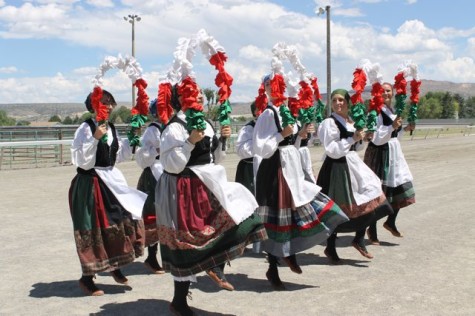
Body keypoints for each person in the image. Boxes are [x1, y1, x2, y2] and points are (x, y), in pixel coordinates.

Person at [155, 81, 267, 316]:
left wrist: (223, 140)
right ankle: (179, 300)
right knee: (188, 242)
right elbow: (171, 165)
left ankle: (215, 265)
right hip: (184, 189)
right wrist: (189, 142)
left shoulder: (205, 123)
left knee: (243, 217)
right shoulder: (174, 128)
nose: (198, 97)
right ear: (181, 98)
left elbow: (215, 158)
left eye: (198, 93)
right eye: (191, 93)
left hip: (209, 185)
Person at [253, 74, 348, 290]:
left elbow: (292, 143)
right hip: (274, 170)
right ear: (265, 89)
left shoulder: (286, 112)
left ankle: (289, 252)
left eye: (278, 84)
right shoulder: (268, 114)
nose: (275, 88)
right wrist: (280, 135)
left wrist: (300, 134)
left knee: (300, 209)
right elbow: (261, 148)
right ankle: (273, 267)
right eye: (269, 84)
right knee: (278, 217)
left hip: (291, 167)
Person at [68, 89, 146, 296]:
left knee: (120, 222)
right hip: (90, 184)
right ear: (94, 105)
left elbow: (116, 156)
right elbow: (82, 161)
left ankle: (115, 266)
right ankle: (87, 278)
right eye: (105, 102)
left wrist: (132, 141)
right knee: (94, 230)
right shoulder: (85, 129)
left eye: (111, 102)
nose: (110, 107)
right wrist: (94, 138)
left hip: (110, 181)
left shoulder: (110, 127)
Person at [316, 89, 393, 263]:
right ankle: (331, 246)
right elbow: (332, 150)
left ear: (348, 103)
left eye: (341, 100)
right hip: (336, 168)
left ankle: (358, 238)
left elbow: (355, 148)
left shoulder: (349, 121)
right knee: (338, 209)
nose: (338, 103)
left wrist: (361, 139)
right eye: (334, 100)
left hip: (352, 165)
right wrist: (352, 139)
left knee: (374, 197)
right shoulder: (330, 123)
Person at [364, 82, 415, 244]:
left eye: (388, 91)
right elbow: (376, 137)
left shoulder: (391, 111)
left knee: (401, 187)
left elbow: (395, 135)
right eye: (382, 91)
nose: (386, 94)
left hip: (393, 153)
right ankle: (371, 229)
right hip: (379, 154)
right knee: (379, 192)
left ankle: (390, 221)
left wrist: (405, 129)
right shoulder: (375, 112)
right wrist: (391, 127)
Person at [135, 99, 165, 274]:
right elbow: (142, 158)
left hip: (168, 173)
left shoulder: (171, 127)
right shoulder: (153, 130)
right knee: (154, 217)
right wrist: (157, 151)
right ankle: (152, 257)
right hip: (153, 177)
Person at [235, 102, 258, 194]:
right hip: (250, 168)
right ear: (254, 112)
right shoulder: (248, 128)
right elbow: (241, 150)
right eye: (260, 108)